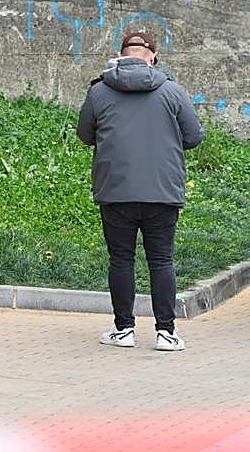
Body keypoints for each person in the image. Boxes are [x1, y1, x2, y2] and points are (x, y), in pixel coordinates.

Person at [77, 31, 203, 352]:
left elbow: (84, 134)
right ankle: (165, 333)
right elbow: (193, 136)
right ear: (153, 58)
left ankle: (124, 330)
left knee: (121, 259)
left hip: (115, 191)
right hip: (162, 191)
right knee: (162, 260)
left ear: (120, 56)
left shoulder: (99, 92)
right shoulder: (173, 91)